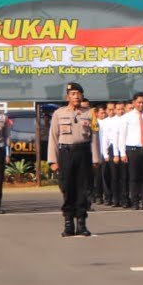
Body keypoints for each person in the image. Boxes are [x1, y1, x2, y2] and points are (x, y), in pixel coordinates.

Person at [48, 82, 99, 237]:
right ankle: (68, 223)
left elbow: (95, 137)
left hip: (83, 153)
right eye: (73, 94)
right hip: (66, 154)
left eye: (78, 94)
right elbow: (53, 138)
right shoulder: (59, 113)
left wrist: (96, 158)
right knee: (67, 188)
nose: (76, 96)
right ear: (67, 97)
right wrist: (53, 161)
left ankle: (82, 224)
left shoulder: (90, 113)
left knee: (83, 189)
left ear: (82, 96)